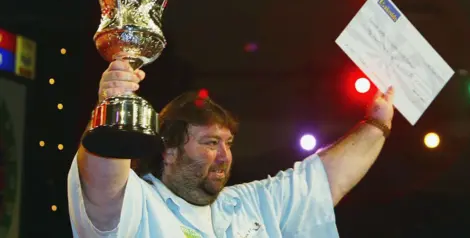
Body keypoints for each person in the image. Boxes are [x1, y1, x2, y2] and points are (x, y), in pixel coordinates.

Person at [68, 60, 395, 238]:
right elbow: (102, 177)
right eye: (210, 143)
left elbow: (327, 180)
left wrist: (376, 124)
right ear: (168, 150)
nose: (224, 156)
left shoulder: (248, 206)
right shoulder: (137, 204)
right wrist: (111, 104)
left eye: (228, 143)